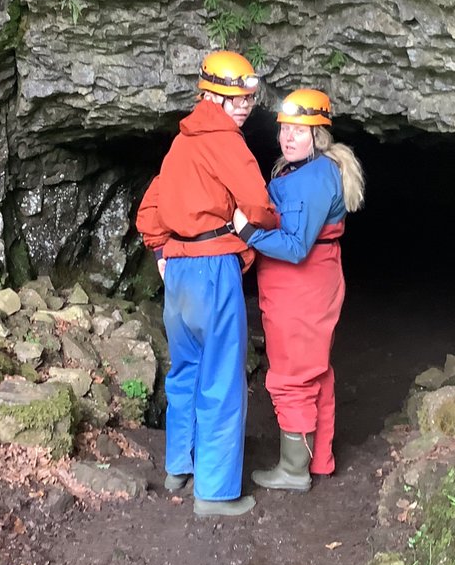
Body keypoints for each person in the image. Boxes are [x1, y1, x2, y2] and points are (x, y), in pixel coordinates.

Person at [136, 50, 277, 518]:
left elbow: (148, 210)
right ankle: (215, 493)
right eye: (236, 98)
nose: (245, 107)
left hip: (176, 273)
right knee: (221, 376)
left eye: (249, 99)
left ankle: (180, 464)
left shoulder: (181, 144)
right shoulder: (226, 142)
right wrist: (250, 228)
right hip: (214, 266)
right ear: (210, 95)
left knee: (185, 371)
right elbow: (258, 204)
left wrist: (161, 250)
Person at [232, 88, 364, 491]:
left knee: (291, 374)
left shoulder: (311, 179)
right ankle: (318, 459)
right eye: (284, 129)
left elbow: (294, 246)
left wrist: (247, 231)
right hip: (311, 283)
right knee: (315, 371)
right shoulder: (313, 171)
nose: (287, 137)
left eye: (298, 130)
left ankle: (293, 470)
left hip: (300, 287)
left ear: (318, 135)